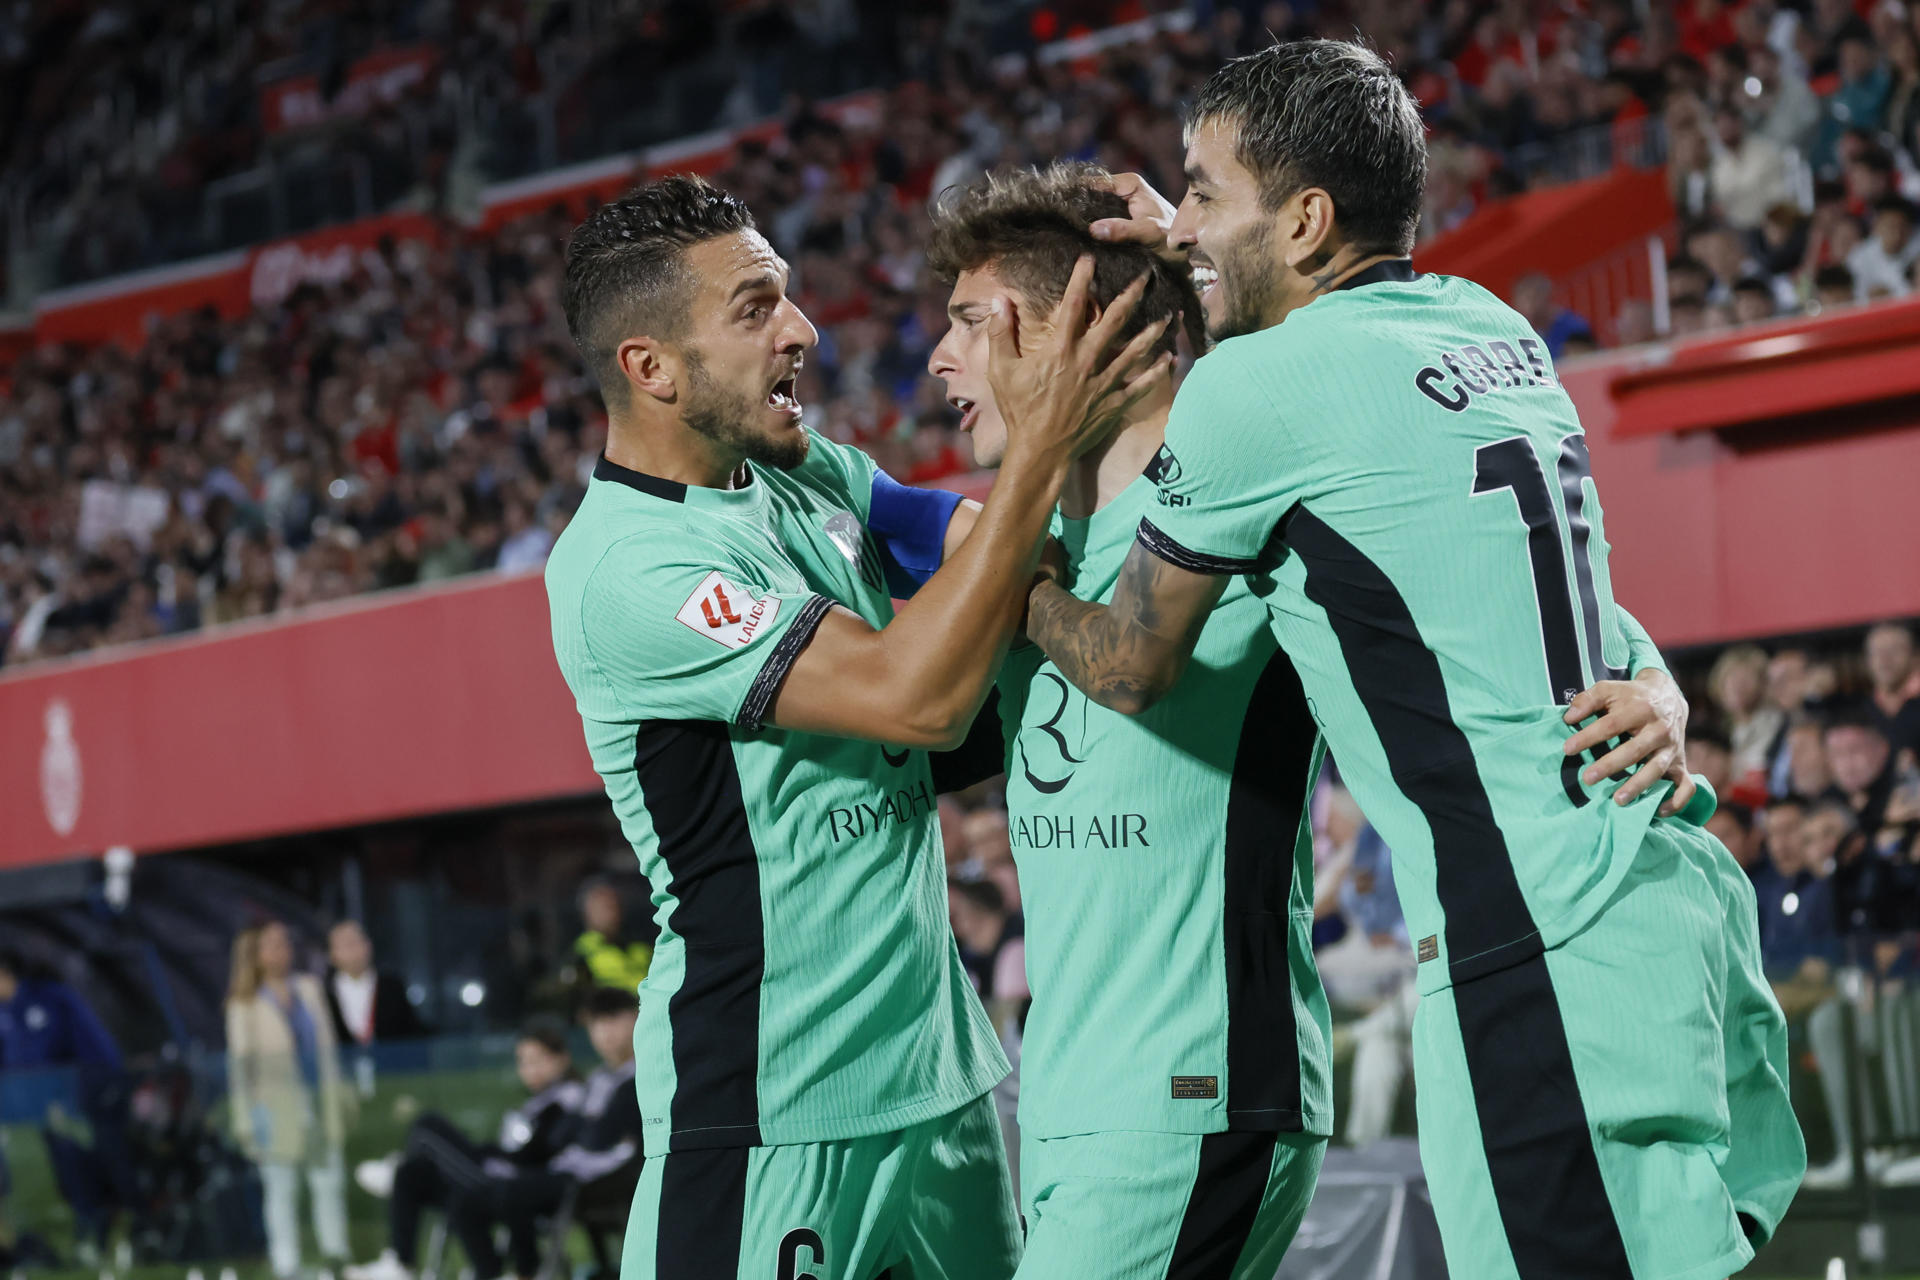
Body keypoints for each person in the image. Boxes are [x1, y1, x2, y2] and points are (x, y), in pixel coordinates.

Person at [1003, 39, 1803, 1277]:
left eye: (1205, 189)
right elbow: (1565, 596)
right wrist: (1663, 678)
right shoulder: (1492, 325)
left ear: (1308, 218)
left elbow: (1125, 664)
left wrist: (1021, 579)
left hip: (1536, 937)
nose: (1186, 218)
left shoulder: (1254, 390)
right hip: (1668, 894)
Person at [543, 174, 1163, 1278]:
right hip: (773, 1111)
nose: (803, 328)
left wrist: (1020, 514)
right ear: (652, 369)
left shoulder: (802, 473)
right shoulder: (629, 569)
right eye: (754, 307)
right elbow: (913, 694)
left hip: (942, 1085)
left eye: (785, 293)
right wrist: (1035, 455)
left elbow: (992, 541)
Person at [343, 1017, 584, 1280]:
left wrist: (489, 1153)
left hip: (512, 1184)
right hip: (496, 1176)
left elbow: (534, 1154)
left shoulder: (568, 1099)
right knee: (412, 1173)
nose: (528, 1070)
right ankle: (400, 1262)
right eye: (523, 1062)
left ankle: (393, 1170)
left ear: (562, 1059)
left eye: (538, 1060)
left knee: (428, 1126)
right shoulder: (535, 1104)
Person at [442, 989, 644, 1280]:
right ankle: (490, 1273)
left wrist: (579, 1128)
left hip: (602, 1182)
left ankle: (528, 1272)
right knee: (468, 1199)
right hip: (571, 1172)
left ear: (636, 1019)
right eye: (596, 1023)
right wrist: (581, 1129)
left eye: (612, 1020)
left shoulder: (641, 1077)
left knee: (512, 1191)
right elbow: (569, 1134)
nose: (604, 1032)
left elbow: (599, 1137)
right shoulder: (600, 1078)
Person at [226, 921, 352, 1280]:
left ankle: (336, 1259)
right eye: (272, 945)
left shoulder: (309, 990)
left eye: (285, 943)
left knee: (329, 1181)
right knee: (281, 1187)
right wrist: (245, 1120)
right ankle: (288, 1266)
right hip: (273, 1108)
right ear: (256, 954)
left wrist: (338, 1096)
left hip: (317, 1100)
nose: (282, 951)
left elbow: (329, 1050)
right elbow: (240, 1070)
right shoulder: (244, 1003)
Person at [323, 920, 427, 1050]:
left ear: (368, 945)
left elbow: (411, 1033)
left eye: (355, 941)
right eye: (345, 944)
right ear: (332, 954)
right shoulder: (324, 994)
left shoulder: (392, 987)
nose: (352, 950)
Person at [566, 879, 653, 1002]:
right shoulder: (581, 953)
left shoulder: (641, 946)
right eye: (605, 907)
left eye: (615, 906)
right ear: (587, 912)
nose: (612, 913)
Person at [1865, 620, 1920, 757]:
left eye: (1895, 650)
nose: (1884, 659)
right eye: (1876, 651)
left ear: (1915, 657)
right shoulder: (1858, 709)